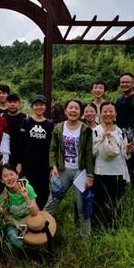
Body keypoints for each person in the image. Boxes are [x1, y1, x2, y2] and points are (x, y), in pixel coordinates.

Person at [44, 100, 94, 237]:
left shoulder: (85, 129)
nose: (73, 110)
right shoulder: (59, 128)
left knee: (82, 205)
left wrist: (90, 175)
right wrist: (53, 166)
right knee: (52, 201)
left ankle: (84, 236)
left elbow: (89, 153)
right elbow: (52, 149)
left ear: (80, 112)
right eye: (70, 108)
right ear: (65, 111)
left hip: (80, 171)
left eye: (76, 108)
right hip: (62, 169)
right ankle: (41, 230)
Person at [92, 101, 132, 229]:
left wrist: (128, 151)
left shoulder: (120, 132)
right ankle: (99, 229)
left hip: (118, 173)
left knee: (116, 202)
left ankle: (114, 228)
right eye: (105, 111)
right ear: (100, 114)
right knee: (100, 203)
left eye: (111, 111)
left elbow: (124, 155)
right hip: (101, 173)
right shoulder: (95, 131)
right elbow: (92, 153)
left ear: (115, 114)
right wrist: (102, 140)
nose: (108, 114)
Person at [18, 94, 54, 210]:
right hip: (28, 163)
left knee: (43, 189)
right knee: (29, 188)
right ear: (32, 106)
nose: (39, 107)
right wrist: (19, 162)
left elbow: (51, 146)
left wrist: (52, 166)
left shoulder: (49, 124)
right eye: (36, 105)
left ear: (45, 107)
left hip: (44, 164)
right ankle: (29, 212)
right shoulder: (26, 122)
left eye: (41, 105)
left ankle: (41, 214)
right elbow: (21, 144)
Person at [0, 164, 39, 249]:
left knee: (38, 237)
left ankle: (34, 246)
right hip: (16, 222)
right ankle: (28, 250)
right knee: (17, 240)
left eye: (11, 174)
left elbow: (35, 213)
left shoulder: (27, 187)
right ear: (2, 180)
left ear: (17, 175)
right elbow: (5, 215)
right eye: (5, 176)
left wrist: (26, 197)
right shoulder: (3, 194)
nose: (9, 178)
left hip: (30, 220)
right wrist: (16, 224)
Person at [1, 92, 27, 167]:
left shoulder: (26, 118)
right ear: (6, 103)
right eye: (10, 102)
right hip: (5, 154)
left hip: (21, 155)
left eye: (15, 102)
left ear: (19, 104)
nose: (12, 104)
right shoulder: (2, 117)